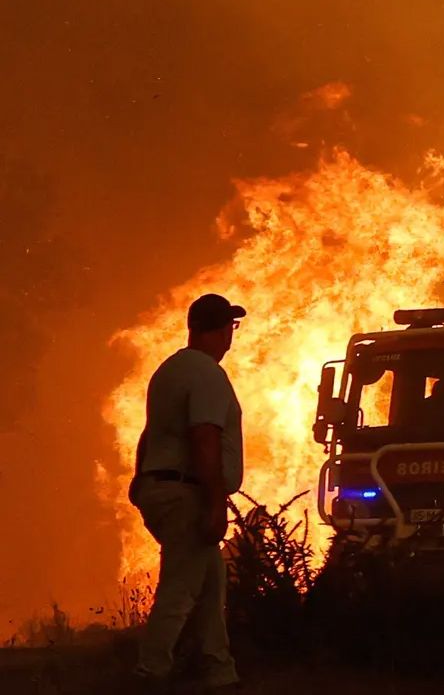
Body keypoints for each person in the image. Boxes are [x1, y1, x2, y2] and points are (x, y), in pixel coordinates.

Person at [129, 293, 246, 689]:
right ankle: (150, 672)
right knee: (180, 589)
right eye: (231, 327)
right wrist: (215, 503)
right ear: (224, 329)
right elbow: (204, 437)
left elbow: (151, 433)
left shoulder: (169, 371)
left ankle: (219, 672)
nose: (232, 336)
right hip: (187, 494)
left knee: (211, 586)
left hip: (159, 487)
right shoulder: (208, 374)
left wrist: (138, 479)